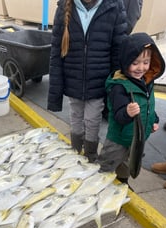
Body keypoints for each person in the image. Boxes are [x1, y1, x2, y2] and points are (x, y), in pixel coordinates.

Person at [47, 0, 127, 162]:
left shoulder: (114, 6)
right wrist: (55, 91)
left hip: (99, 80)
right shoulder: (64, 7)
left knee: (92, 119)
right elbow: (56, 50)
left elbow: (118, 50)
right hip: (73, 78)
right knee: (76, 115)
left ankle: (90, 154)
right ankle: (75, 151)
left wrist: (116, 86)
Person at [97, 32, 165, 183]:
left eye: (146, 62)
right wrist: (127, 112)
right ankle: (97, 183)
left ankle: (123, 181)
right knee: (107, 163)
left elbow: (148, 105)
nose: (141, 68)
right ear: (125, 61)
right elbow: (118, 116)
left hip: (137, 140)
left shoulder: (147, 81)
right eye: (135, 63)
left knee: (127, 164)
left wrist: (153, 119)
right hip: (119, 139)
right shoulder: (119, 86)